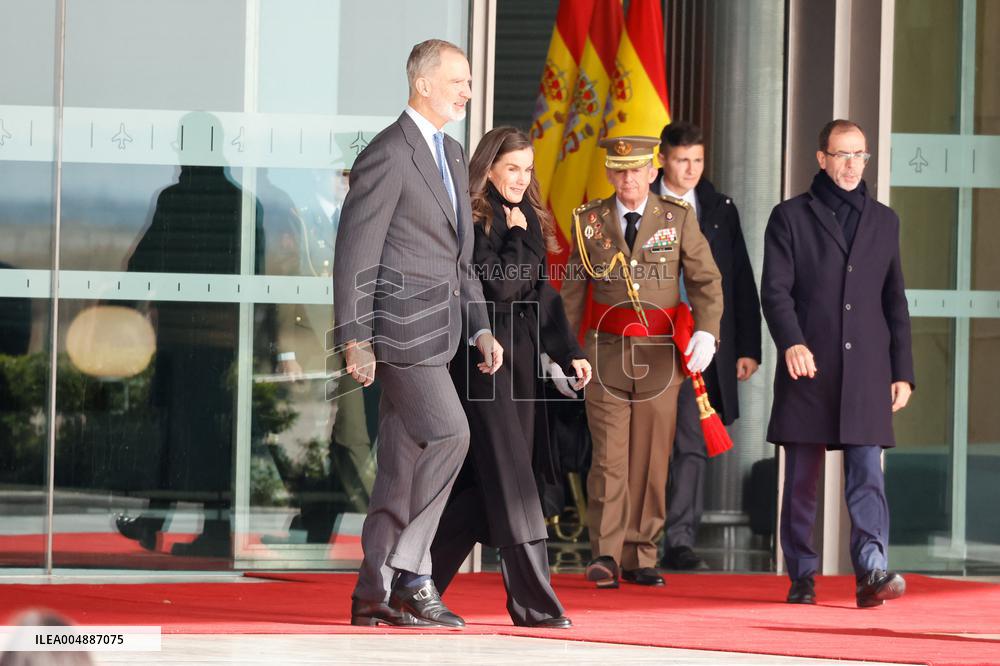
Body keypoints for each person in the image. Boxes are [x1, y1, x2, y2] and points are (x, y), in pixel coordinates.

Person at [333, 39, 502, 628]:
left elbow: (461, 260)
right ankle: (414, 573)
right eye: (459, 80)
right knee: (452, 434)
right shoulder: (388, 152)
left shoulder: (452, 154)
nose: (468, 91)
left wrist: (481, 329)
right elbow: (355, 252)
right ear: (423, 83)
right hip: (400, 337)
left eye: (470, 81)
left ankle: (371, 590)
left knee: (401, 468)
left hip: (445, 334)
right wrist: (354, 336)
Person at [428, 127, 592, 628]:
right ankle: (534, 603)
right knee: (516, 482)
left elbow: (543, 295)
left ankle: (407, 584)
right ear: (490, 170)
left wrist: (569, 353)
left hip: (521, 369)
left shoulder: (528, 219)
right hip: (484, 365)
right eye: (513, 168)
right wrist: (521, 235)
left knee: (484, 490)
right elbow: (498, 288)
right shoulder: (474, 218)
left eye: (528, 168)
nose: (522, 178)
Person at [761, 119, 914, 607]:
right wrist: (791, 342)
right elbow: (776, 291)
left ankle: (871, 572)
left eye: (860, 155)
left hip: (868, 369)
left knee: (868, 474)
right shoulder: (789, 217)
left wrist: (903, 371)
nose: (851, 165)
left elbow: (896, 302)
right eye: (842, 154)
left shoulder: (884, 221)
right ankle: (802, 574)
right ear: (821, 158)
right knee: (803, 480)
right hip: (811, 364)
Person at [560, 135, 723, 589]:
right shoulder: (589, 221)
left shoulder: (677, 218)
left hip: (659, 355)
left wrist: (708, 330)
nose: (628, 178)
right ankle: (606, 554)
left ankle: (642, 552)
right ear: (610, 173)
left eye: (637, 170)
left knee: (651, 457)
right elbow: (574, 291)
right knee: (609, 458)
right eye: (620, 170)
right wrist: (561, 353)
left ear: (653, 172)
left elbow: (706, 278)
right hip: (605, 352)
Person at [650, 122, 762, 571]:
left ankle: (680, 540)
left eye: (698, 160)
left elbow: (739, 280)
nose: (691, 169)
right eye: (682, 160)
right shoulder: (641, 200)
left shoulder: (719, 207)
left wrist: (746, 346)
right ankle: (635, 538)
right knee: (647, 445)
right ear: (662, 159)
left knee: (692, 442)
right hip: (650, 342)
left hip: (701, 347)